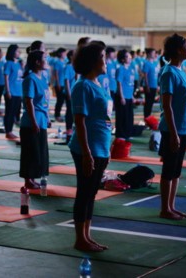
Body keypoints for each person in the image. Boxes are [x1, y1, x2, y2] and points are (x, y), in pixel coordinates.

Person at [69, 42, 111, 252]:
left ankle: (87, 235)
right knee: (85, 192)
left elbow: (104, 119)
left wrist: (106, 150)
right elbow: (80, 122)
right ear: (93, 61)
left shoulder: (97, 85)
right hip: (88, 149)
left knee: (91, 193)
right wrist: (86, 153)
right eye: (103, 57)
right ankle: (80, 238)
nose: (106, 61)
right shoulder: (82, 86)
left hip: (100, 147)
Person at [158, 34, 186, 220]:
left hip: (184, 128)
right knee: (169, 169)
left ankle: (172, 206)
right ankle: (165, 208)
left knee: (177, 171)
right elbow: (167, 106)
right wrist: (173, 133)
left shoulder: (182, 71)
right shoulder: (169, 73)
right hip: (173, 130)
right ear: (179, 50)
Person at [19, 51, 50, 189]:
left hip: (41, 119)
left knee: (38, 152)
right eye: (44, 58)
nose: (46, 60)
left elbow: (44, 101)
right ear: (37, 62)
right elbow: (28, 101)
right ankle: (28, 180)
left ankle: (32, 178)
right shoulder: (30, 79)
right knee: (30, 152)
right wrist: (33, 121)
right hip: (32, 121)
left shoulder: (42, 78)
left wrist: (47, 117)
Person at [4, 44, 23, 139]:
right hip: (11, 91)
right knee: (9, 112)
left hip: (18, 92)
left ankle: (10, 130)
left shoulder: (18, 64)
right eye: (17, 51)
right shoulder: (8, 63)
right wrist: (8, 91)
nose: (19, 53)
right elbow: (6, 77)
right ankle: (8, 131)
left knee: (15, 112)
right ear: (12, 52)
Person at [115, 49, 134, 140]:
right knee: (122, 116)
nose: (130, 58)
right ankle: (121, 134)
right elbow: (119, 83)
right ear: (122, 59)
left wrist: (132, 96)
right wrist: (121, 96)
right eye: (127, 56)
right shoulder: (120, 69)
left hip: (129, 96)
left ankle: (128, 133)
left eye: (130, 56)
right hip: (123, 96)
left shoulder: (131, 69)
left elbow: (130, 84)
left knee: (129, 116)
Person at [141, 48, 160, 118]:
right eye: (153, 53)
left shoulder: (155, 64)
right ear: (149, 54)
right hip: (149, 86)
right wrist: (147, 86)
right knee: (148, 103)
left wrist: (157, 85)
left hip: (154, 85)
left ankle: (148, 117)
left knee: (151, 103)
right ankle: (146, 118)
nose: (155, 54)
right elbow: (145, 75)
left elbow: (156, 75)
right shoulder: (146, 63)